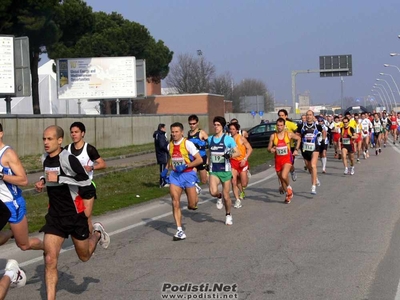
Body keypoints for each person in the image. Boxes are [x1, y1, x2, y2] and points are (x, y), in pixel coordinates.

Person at [35, 125, 110, 300]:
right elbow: (48, 175)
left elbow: (85, 182)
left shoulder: (68, 158)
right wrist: (41, 181)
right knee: (50, 259)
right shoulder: (45, 158)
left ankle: (97, 233)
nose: (46, 142)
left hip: (75, 215)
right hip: (55, 217)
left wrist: (61, 179)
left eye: (50, 139)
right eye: (44, 139)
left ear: (59, 140)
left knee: (84, 256)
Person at [0, 123, 43, 252]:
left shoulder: (8, 153)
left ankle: (49, 248)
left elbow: (24, 180)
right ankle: (10, 233)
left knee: (24, 245)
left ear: (1, 133)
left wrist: (1, 176)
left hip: (11, 203)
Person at [68, 122, 106, 234]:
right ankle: (92, 236)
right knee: (76, 216)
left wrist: (92, 167)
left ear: (82, 133)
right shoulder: (67, 149)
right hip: (72, 187)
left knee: (85, 217)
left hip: (87, 186)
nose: (74, 134)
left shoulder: (89, 149)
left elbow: (103, 164)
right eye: (72, 132)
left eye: (76, 132)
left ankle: (89, 243)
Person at [167, 122, 203, 241]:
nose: (174, 134)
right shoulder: (170, 145)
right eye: (172, 132)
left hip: (188, 174)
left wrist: (186, 165)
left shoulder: (188, 143)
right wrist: (166, 169)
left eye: (176, 132)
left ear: (182, 132)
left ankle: (195, 189)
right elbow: (171, 158)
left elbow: (199, 160)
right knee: (175, 201)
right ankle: (179, 230)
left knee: (192, 205)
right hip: (176, 176)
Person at [208, 116, 239, 225]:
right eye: (215, 125)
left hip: (225, 171)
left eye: (218, 125)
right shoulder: (210, 139)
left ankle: (228, 214)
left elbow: (237, 152)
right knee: (212, 192)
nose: (216, 127)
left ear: (222, 127)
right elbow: (209, 153)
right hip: (214, 170)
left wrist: (229, 155)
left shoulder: (228, 139)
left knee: (227, 196)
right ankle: (218, 196)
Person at [268, 118, 301, 204]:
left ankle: (289, 188)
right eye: (278, 125)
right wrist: (271, 149)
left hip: (287, 158)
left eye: (281, 125)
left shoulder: (288, 134)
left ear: (284, 126)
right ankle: (288, 194)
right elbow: (268, 148)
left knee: (283, 175)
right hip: (278, 160)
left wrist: (296, 149)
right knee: (282, 182)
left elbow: (298, 139)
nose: (279, 127)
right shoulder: (273, 136)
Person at [296, 110, 325, 195]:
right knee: (309, 168)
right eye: (307, 115)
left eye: (310, 115)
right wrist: (297, 146)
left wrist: (322, 140)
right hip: (305, 149)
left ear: (313, 116)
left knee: (313, 165)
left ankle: (313, 187)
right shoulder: (301, 126)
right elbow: (297, 136)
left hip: (314, 148)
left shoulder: (317, 126)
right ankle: (315, 179)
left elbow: (324, 132)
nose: (308, 116)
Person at [229, 122, 252, 208]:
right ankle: (237, 200)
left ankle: (242, 190)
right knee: (233, 181)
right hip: (233, 162)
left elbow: (250, 149)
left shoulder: (241, 139)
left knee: (244, 183)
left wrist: (245, 158)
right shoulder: (228, 140)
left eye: (233, 129)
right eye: (230, 129)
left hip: (242, 162)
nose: (231, 131)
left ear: (237, 130)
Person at [187, 115, 209, 193]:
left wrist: (200, 145)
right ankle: (195, 186)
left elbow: (209, 144)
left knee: (204, 181)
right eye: (190, 124)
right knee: (191, 175)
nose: (192, 125)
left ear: (197, 123)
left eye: (194, 123)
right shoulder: (189, 133)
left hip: (202, 158)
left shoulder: (201, 132)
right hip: (193, 159)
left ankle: (209, 176)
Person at [277, 109, 298, 181]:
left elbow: (297, 133)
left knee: (290, 164)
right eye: (279, 115)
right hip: (280, 148)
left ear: (286, 116)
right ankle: (284, 180)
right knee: (282, 165)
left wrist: (294, 137)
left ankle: (292, 171)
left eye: (282, 115)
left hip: (290, 147)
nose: (281, 116)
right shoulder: (277, 125)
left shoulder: (290, 124)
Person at [153, 123, 169, 188]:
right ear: (161, 128)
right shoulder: (160, 135)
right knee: (163, 169)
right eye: (164, 128)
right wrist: (167, 149)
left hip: (160, 154)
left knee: (164, 168)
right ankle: (162, 183)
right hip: (162, 154)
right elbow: (162, 145)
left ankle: (164, 181)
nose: (165, 129)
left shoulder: (158, 135)